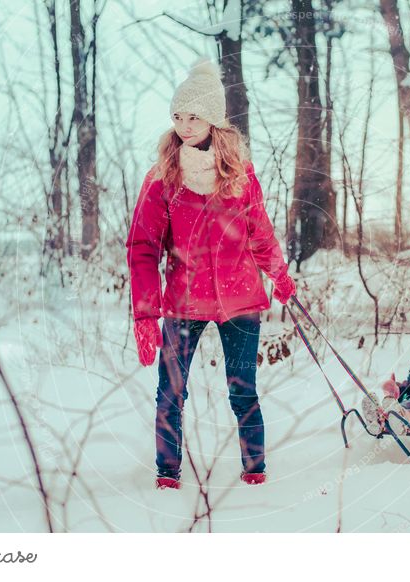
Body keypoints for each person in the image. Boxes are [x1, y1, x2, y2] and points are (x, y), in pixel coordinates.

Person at [126, 59, 295, 489]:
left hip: (241, 302)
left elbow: (259, 232)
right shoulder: (163, 178)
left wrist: (278, 273)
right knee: (171, 393)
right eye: (178, 116)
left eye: (194, 116)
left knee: (243, 390)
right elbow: (142, 248)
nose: (184, 125)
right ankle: (167, 474)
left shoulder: (240, 175)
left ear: (214, 120)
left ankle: (255, 471)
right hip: (184, 302)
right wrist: (145, 313)